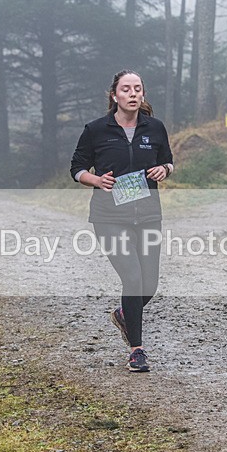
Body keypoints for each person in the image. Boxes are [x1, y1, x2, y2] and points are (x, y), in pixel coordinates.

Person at [70, 70, 174, 372]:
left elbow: (167, 159)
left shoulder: (154, 128)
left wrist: (164, 170)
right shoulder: (96, 130)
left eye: (137, 89)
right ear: (115, 95)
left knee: (150, 284)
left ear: (142, 95)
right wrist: (95, 179)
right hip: (109, 216)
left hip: (148, 214)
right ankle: (137, 350)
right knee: (132, 277)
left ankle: (124, 313)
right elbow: (76, 167)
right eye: (126, 89)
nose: (132, 93)